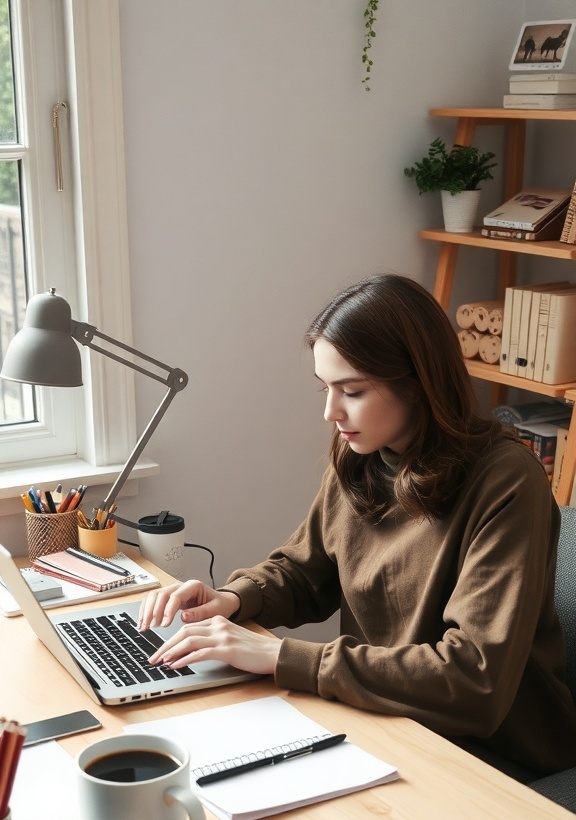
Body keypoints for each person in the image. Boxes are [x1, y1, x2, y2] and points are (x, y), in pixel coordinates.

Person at [138, 273, 576, 782]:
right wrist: (234, 599)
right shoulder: (361, 455)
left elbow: (473, 678)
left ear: (419, 381)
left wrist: (284, 656)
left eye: (352, 390)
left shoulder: (507, 480)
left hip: (490, 752)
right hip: (385, 722)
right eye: (326, 388)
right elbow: (307, 571)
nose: (330, 412)